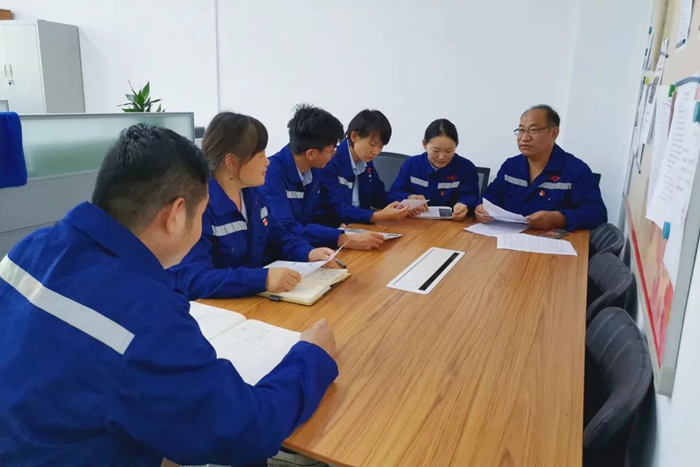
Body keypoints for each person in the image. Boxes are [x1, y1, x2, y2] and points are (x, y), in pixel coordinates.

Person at [0, 124, 339, 467]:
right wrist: (312, 357)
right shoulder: (146, 315)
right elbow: (246, 429)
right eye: (202, 213)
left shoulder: (29, 248)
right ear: (175, 215)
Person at [170, 112, 335, 300]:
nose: (267, 162)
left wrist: (308, 252)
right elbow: (195, 279)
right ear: (231, 162)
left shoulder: (252, 194)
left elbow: (278, 237)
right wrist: (262, 279)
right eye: (261, 155)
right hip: (217, 308)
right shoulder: (198, 205)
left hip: (251, 300)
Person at [264, 104, 385, 251]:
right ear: (311, 153)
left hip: (310, 246)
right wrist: (341, 238)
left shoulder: (314, 169)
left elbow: (319, 212)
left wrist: (334, 228)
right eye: (331, 151)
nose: (334, 155)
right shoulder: (271, 175)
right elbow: (286, 227)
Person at [475, 105, 607, 231]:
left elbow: (596, 214)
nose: (524, 138)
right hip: (508, 236)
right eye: (521, 130)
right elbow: (491, 196)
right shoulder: (511, 166)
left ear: (553, 133)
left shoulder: (576, 170)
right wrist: (481, 208)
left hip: (551, 241)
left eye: (533, 130)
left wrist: (559, 219)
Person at [317, 109, 409, 227]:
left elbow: (379, 195)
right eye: (372, 144)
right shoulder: (330, 161)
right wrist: (376, 216)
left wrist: (406, 201)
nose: (376, 152)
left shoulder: (366, 162)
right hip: (336, 228)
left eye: (380, 146)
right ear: (354, 136)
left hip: (361, 226)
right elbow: (338, 208)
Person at [388, 119, 479, 221]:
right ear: (424, 144)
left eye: (448, 151)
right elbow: (394, 193)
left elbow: (471, 196)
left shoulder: (466, 168)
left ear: (456, 145)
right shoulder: (411, 165)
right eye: (435, 151)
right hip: (414, 221)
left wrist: (464, 204)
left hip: (452, 223)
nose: (441, 157)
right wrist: (408, 198)